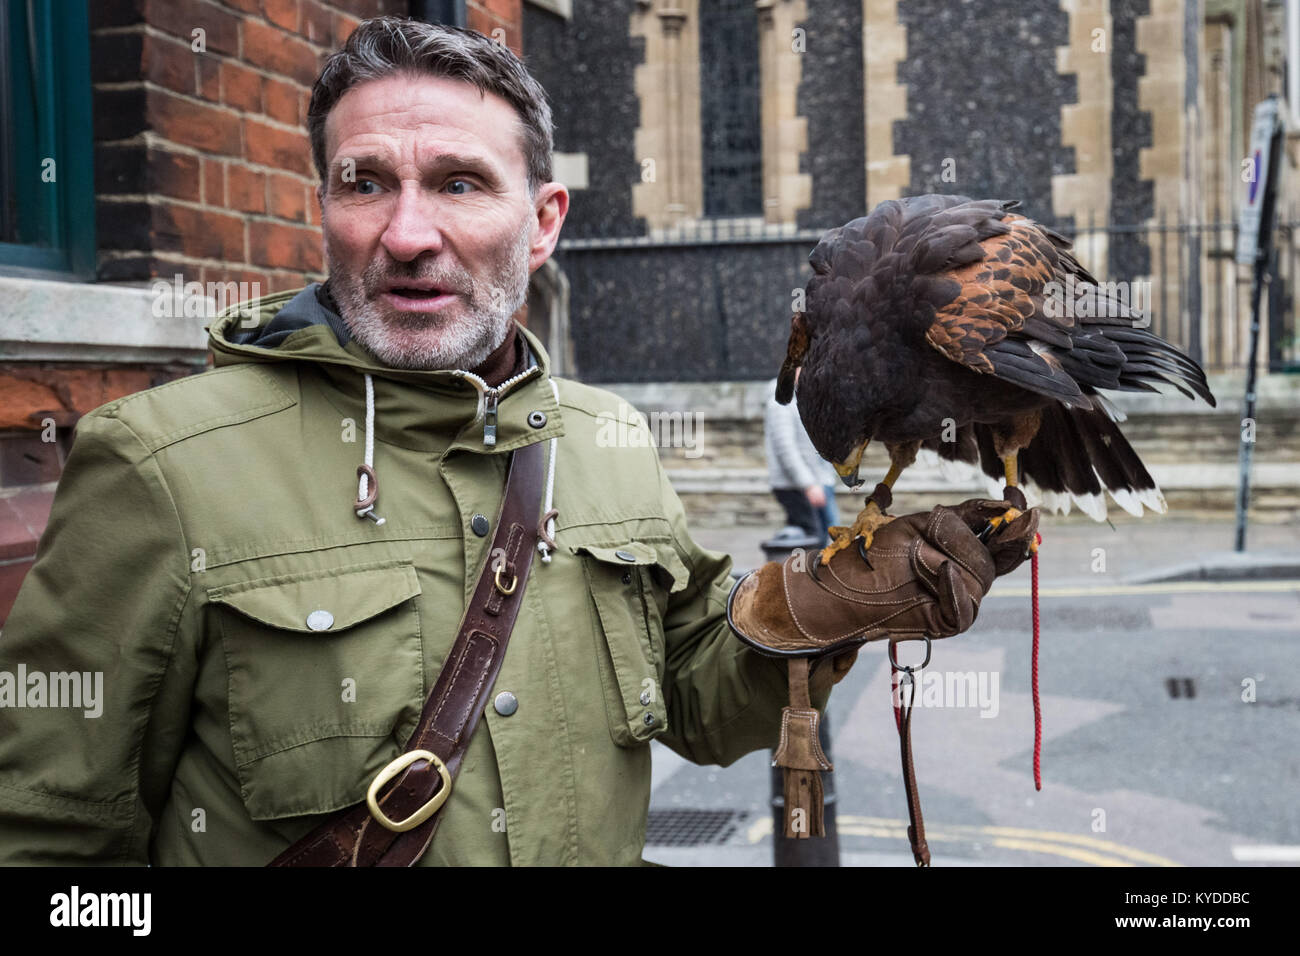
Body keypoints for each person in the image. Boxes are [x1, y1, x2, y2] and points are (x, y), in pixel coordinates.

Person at [0, 17, 1035, 866]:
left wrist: (830, 604)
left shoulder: (610, 438)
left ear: (542, 222)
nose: (406, 233)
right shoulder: (162, 463)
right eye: (364, 182)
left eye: (457, 182)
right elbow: (47, 842)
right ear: (324, 206)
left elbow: (699, 697)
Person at [764, 370, 838, 545]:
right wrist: (809, 485)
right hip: (796, 486)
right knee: (814, 542)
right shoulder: (780, 404)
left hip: (820, 482)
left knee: (827, 540)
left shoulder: (808, 399)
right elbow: (786, 449)